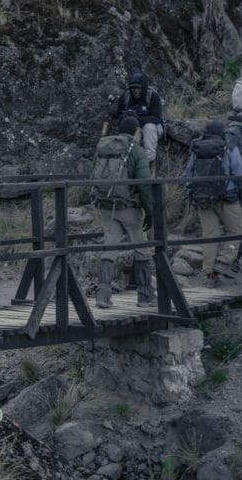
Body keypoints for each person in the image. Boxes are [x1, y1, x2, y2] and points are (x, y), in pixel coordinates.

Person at [89, 116, 155, 309]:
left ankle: (102, 295)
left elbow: (92, 174)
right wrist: (150, 211)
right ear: (137, 131)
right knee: (141, 248)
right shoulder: (135, 150)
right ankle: (145, 296)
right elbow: (144, 184)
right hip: (129, 208)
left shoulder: (106, 146)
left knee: (109, 248)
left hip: (107, 205)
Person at [185, 121, 242, 285]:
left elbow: (189, 172)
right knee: (235, 230)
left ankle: (209, 272)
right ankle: (223, 262)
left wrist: (191, 193)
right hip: (227, 197)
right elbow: (241, 172)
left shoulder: (197, 148)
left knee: (210, 235)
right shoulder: (228, 147)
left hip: (202, 198)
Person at [112, 72, 164, 164]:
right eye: (133, 87)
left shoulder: (152, 95)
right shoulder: (126, 96)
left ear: (143, 87)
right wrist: (115, 113)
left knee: (149, 127)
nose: (135, 90)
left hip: (153, 127)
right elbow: (118, 115)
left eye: (138, 87)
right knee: (130, 128)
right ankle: (131, 159)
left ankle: (149, 160)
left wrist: (136, 119)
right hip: (135, 128)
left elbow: (157, 117)